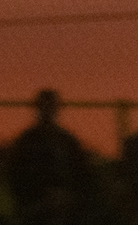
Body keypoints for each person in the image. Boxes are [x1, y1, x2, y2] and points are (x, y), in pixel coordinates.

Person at [6, 88, 90, 217]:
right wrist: (42, 198)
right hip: (35, 202)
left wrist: (68, 195)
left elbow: (82, 173)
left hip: (66, 201)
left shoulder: (67, 141)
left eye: (51, 106)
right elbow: (17, 174)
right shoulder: (26, 141)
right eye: (44, 106)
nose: (48, 110)